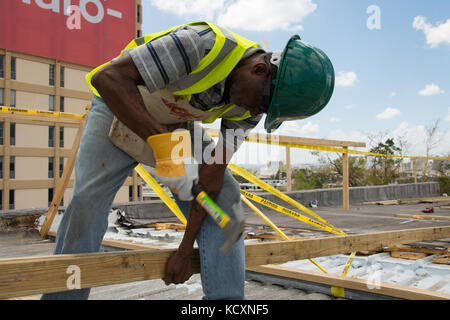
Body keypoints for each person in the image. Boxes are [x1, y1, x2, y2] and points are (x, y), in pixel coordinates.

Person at [41, 21, 335, 300]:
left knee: (226, 198)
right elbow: (107, 78)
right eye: (259, 103)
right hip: (118, 103)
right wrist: (160, 142)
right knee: (86, 204)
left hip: (173, 122)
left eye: (263, 110)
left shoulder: (251, 109)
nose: (254, 111)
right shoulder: (199, 45)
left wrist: (183, 252)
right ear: (259, 70)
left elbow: (211, 182)